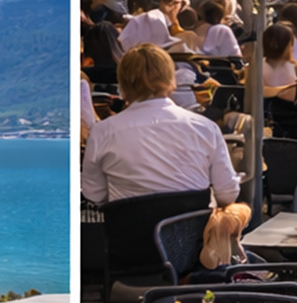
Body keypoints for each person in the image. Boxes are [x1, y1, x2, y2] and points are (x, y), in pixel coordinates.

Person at [81, 45, 242, 206]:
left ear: (122, 84)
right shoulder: (205, 128)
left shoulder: (102, 132)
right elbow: (228, 193)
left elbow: (94, 193)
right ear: (171, 80)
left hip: (128, 229)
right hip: (192, 228)